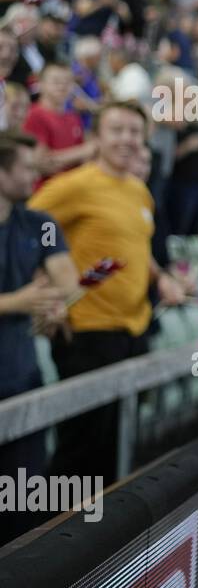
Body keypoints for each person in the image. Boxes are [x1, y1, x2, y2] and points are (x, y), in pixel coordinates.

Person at [26, 101, 187, 484]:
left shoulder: (139, 191)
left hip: (133, 331)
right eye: (117, 130)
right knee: (80, 447)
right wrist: (43, 293)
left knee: (117, 445)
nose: (127, 139)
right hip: (86, 333)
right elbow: (20, 231)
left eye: (134, 131)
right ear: (96, 138)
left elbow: (137, 248)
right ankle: (58, 537)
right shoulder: (72, 186)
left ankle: (104, 533)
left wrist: (161, 277)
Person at [0, 132, 78, 545]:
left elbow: (68, 282)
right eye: (27, 167)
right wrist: (19, 300)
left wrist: (53, 302)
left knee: (22, 507)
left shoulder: (40, 224)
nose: (37, 174)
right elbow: (28, 297)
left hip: (23, 381)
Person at [22, 63, 97, 189]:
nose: (62, 86)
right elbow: (41, 163)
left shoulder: (73, 117)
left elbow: (85, 158)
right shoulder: (35, 114)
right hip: (46, 191)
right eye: (56, 81)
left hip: (73, 188)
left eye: (67, 81)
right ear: (41, 84)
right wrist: (85, 150)